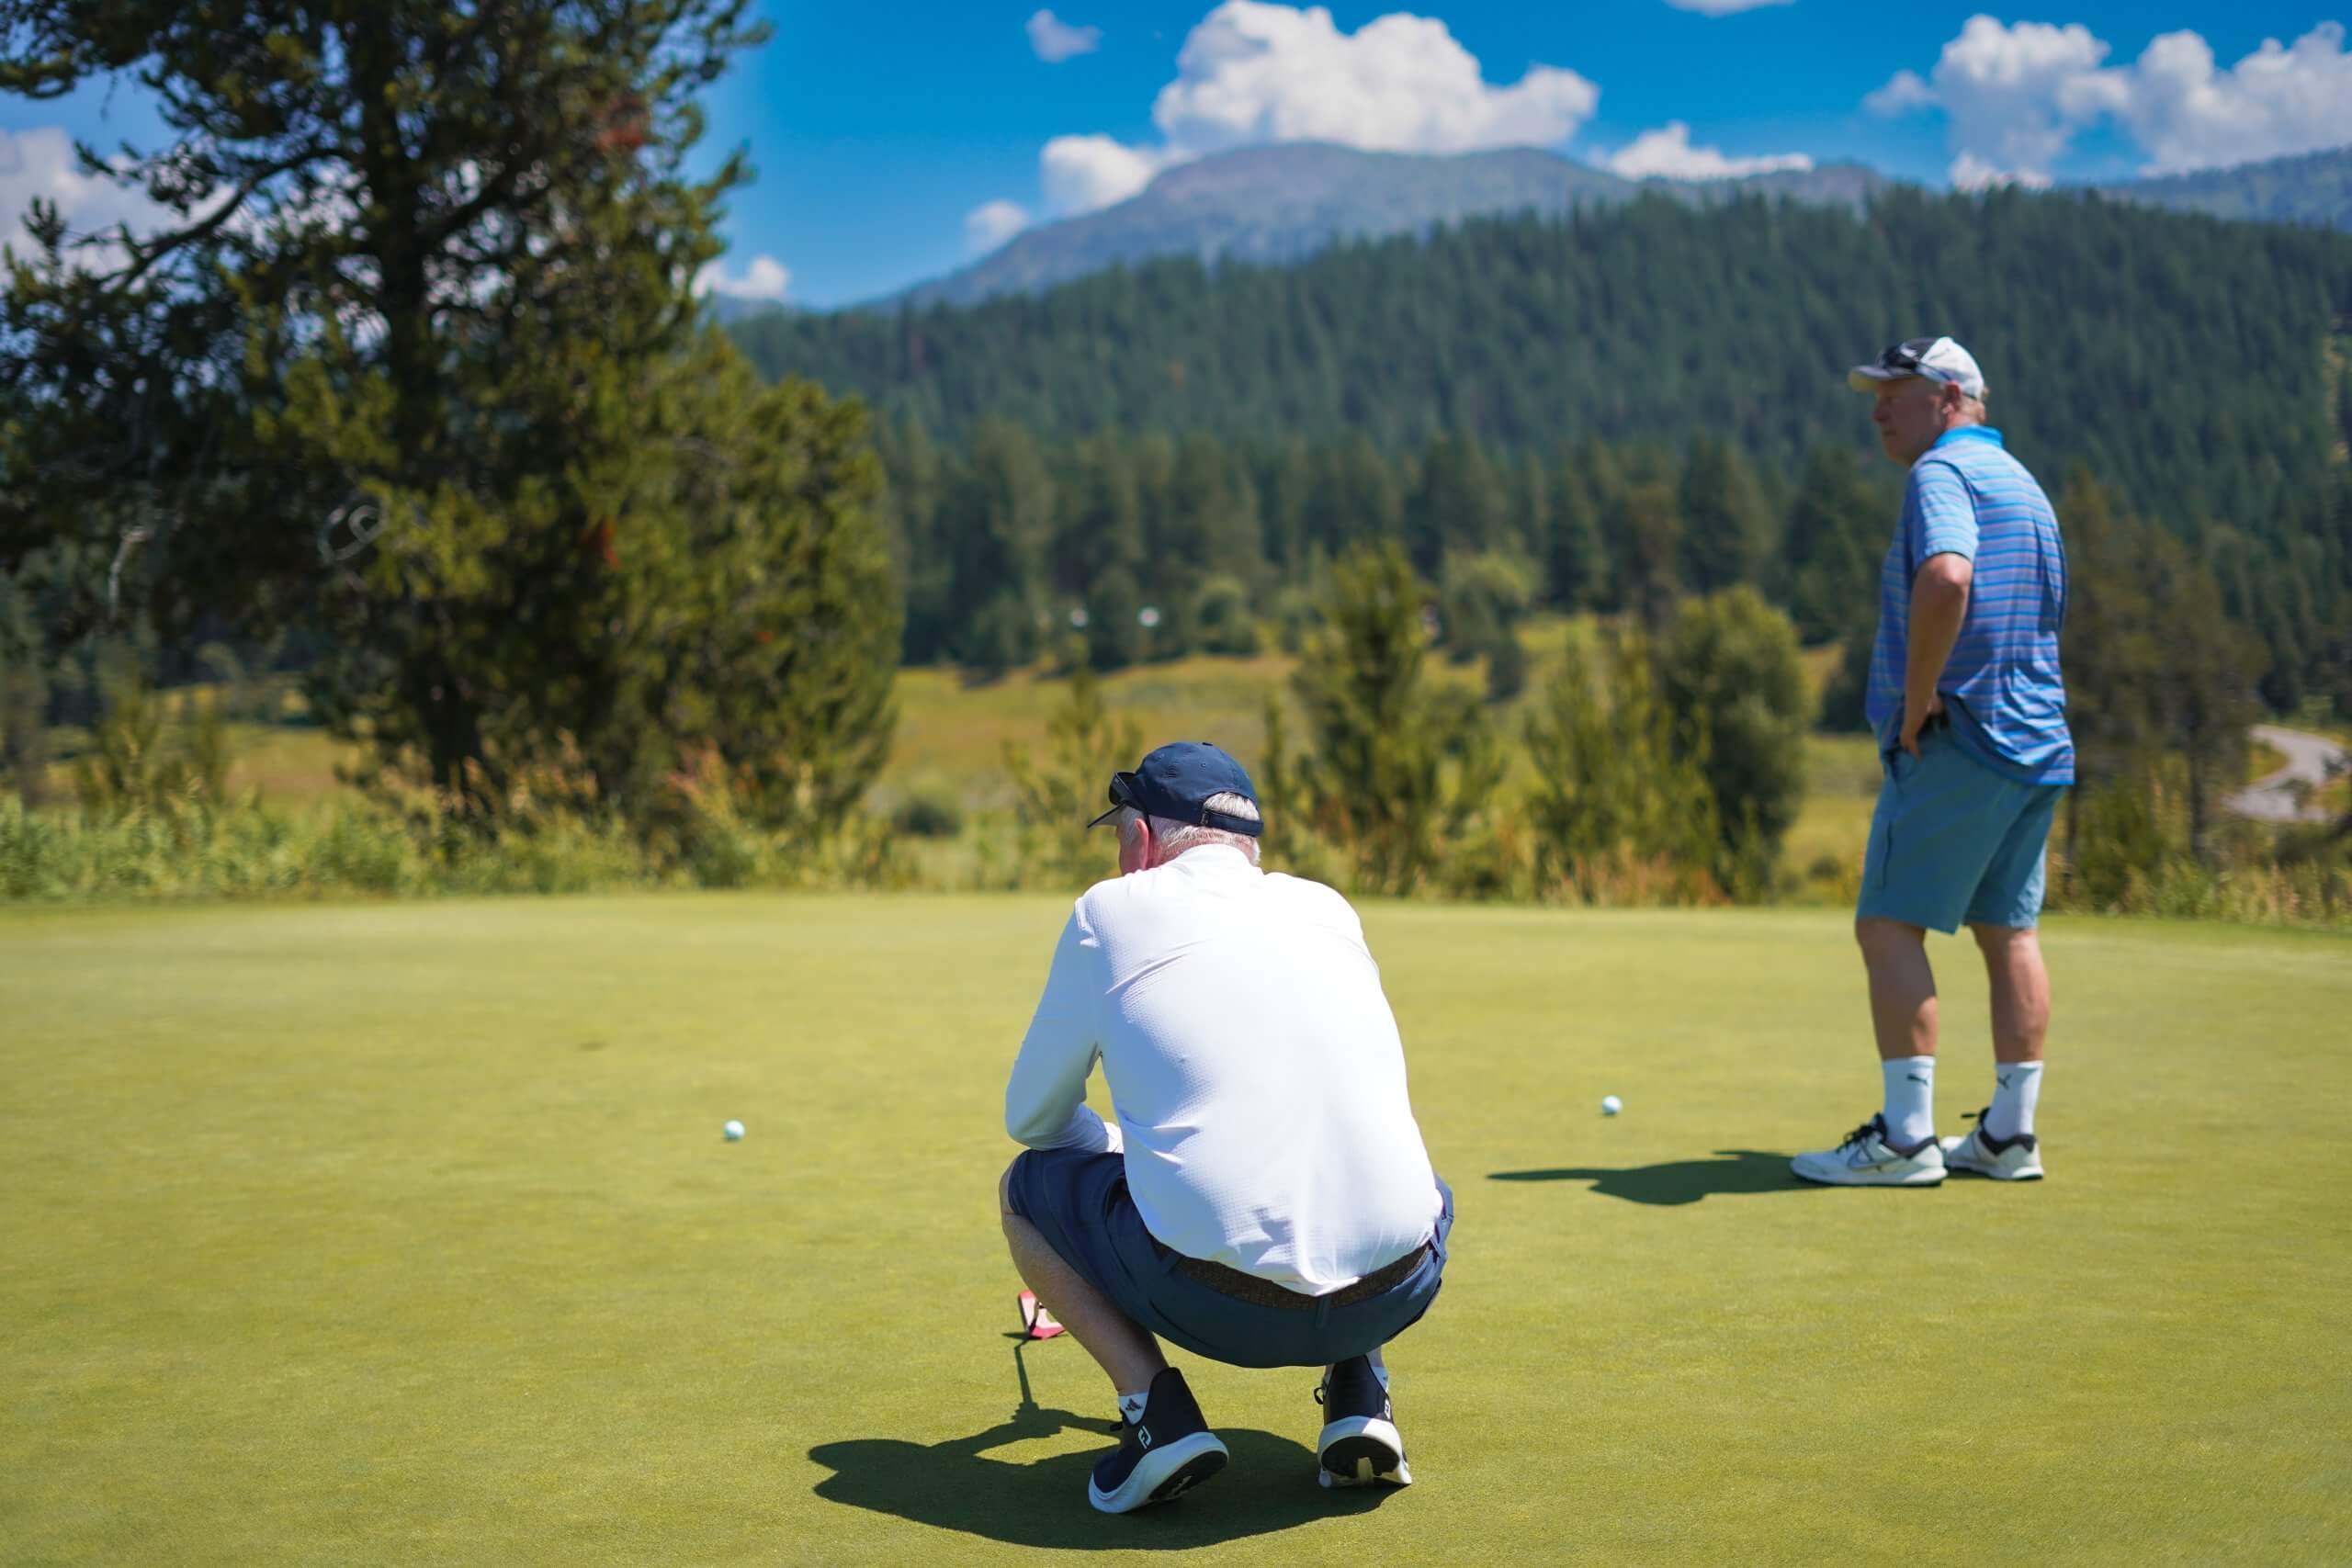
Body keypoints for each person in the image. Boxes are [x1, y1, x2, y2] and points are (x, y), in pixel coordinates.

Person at [998, 740, 1453, 1514]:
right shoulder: (1328, 906)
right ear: (1249, 846)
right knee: (1406, 1178)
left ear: (1140, 836)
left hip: (1223, 1307)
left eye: (1119, 835)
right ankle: (1360, 1395)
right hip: (1399, 1285)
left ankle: (1155, 1415)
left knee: (1025, 1189)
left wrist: (1119, 1149)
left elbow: (1033, 1119)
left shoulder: (1106, 911)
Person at [1792, 336, 2072, 1188]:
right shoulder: (2022, 481)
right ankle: (2008, 1134)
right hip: (2037, 744)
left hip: (1961, 738)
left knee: (1886, 923)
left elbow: (1948, 580)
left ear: (1949, 396)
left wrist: (1916, 703)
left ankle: (1908, 1138)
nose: (1877, 409)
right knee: (2009, 932)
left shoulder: (1940, 476)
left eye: (1895, 393)